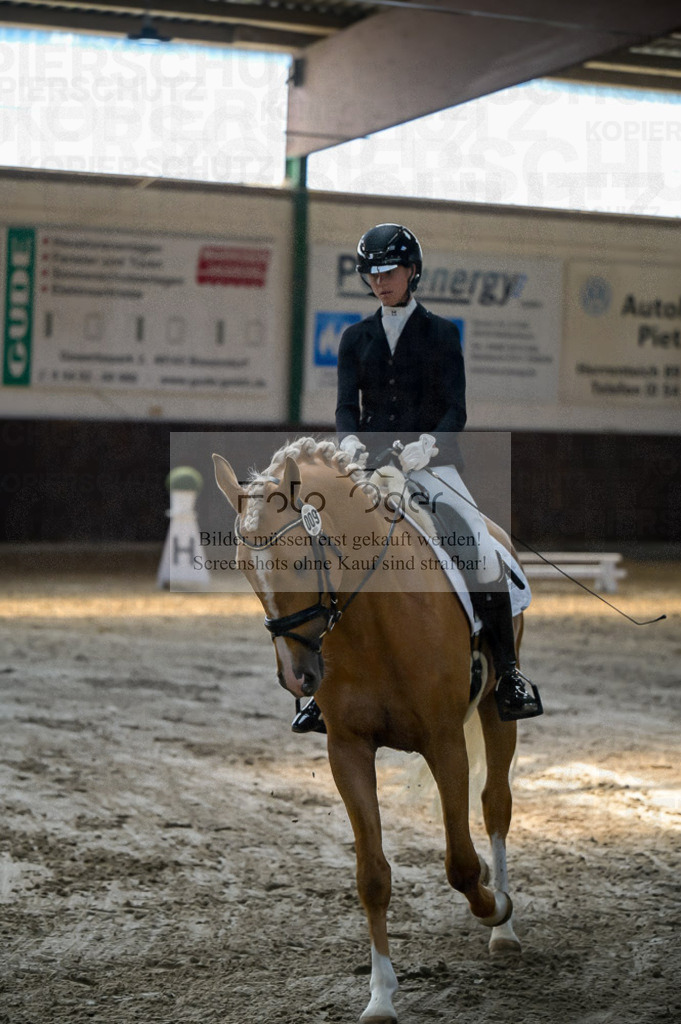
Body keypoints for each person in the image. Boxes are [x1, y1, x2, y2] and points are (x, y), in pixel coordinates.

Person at [292, 223, 542, 733]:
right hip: (367, 465)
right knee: (329, 550)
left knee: (477, 545)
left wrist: (429, 444)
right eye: (371, 273)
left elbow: (456, 408)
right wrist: (349, 442)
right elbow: (345, 406)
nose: (380, 281)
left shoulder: (442, 333)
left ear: (412, 272)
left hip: (432, 465)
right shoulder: (353, 337)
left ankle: (509, 674)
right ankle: (325, 687)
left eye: (389, 271)